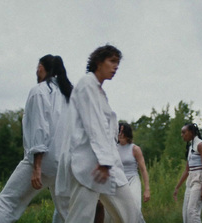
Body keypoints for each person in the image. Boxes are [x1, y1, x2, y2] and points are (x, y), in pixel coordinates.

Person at [56, 44, 143, 223]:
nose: (116, 66)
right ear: (98, 62)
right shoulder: (87, 84)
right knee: (80, 218)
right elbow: (94, 125)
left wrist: (107, 162)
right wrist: (104, 161)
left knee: (131, 214)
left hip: (107, 166)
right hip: (89, 166)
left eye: (118, 62)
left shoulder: (99, 91)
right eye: (112, 61)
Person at [0, 55, 73, 223]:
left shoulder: (40, 91)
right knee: (66, 212)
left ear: (42, 68)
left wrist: (36, 167)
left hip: (44, 162)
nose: (36, 70)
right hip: (64, 165)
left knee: (7, 202)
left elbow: (39, 129)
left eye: (38, 66)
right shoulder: (68, 95)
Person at [173, 123, 202, 223]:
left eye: (184, 132)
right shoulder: (191, 147)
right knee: (185, 212)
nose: (182, 135)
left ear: (191, 132)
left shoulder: (200, 144)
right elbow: (187, 170)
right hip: (191, 179)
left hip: (200, 178)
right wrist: (177, 187)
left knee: (192, 211)